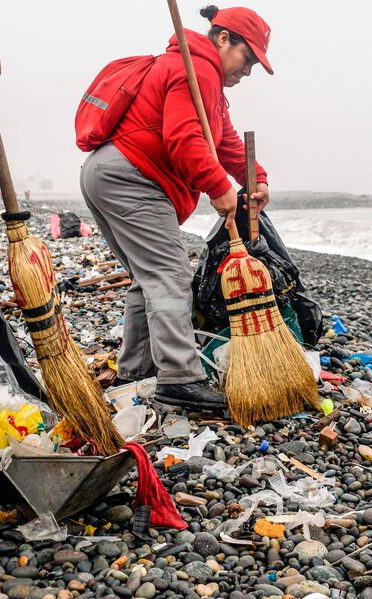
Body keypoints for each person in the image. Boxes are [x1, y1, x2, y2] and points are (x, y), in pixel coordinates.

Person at [80, 5, 272, 410]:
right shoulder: (195, 68)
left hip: (109, 173)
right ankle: (179, 378)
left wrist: (256, 178)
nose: (248, 70)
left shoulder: (205, 79)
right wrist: (219, 187)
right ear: (223, 38)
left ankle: (136, 372)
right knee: (170, 276)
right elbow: (184, 138)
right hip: (132, 176)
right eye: (248, 58)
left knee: (148, 277)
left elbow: (223, 142)